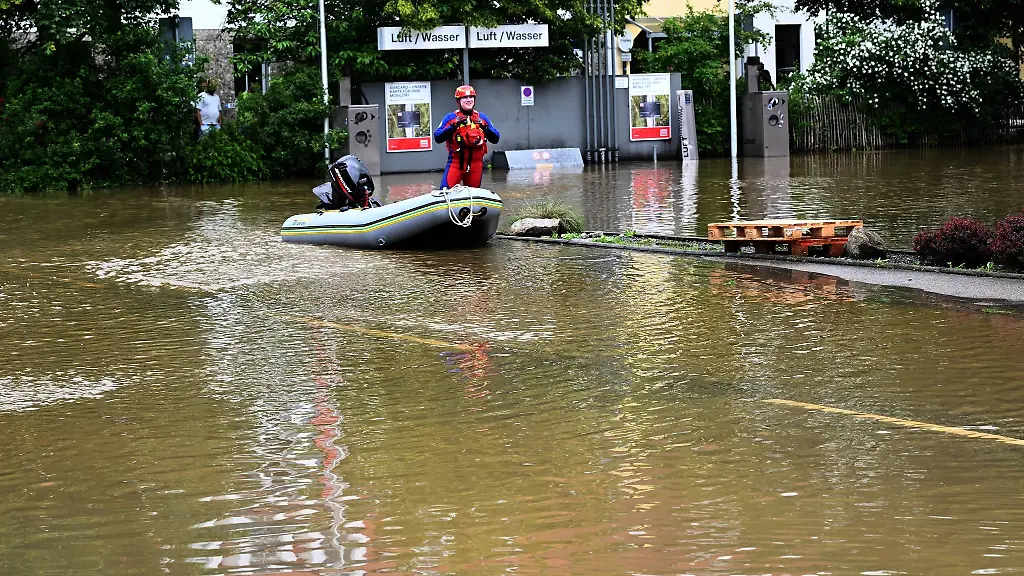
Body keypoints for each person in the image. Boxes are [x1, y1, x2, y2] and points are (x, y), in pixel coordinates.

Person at [433, 85, 500, 189]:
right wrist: (453, 125)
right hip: (456, 164)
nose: (469, 100)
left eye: (471, 97)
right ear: (458, 101)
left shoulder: (482, 117)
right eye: (465, 98)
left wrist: (484, 127)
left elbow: (496, 138)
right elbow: (437, 137)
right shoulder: (451, 118)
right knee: (445, 192)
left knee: (473, 195)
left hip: (476, 165)